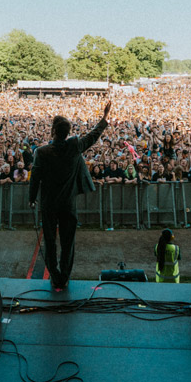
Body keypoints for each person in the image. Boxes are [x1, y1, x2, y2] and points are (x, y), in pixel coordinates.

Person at [29, 100, 111, 291]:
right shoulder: (74, 147)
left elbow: (35, 179)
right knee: (68, 242)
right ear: (67, 132)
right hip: (68, 204)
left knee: (50, 242)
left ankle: (55, 277)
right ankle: (64, 277)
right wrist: (105, 117)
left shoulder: (41, 152)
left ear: (52, 131)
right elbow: (93, 136)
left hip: (48, 204)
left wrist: (32, 198)